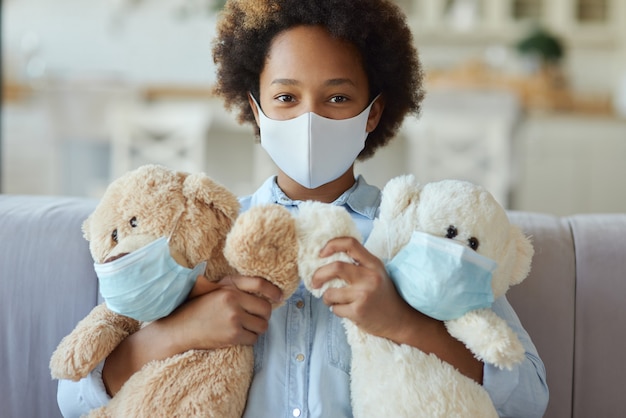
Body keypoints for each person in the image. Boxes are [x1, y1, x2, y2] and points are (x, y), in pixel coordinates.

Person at [57, 0, 548, 417]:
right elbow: (73, 395)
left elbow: (528, 395)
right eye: (286, 97)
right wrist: (180, 332)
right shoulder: (202, 236)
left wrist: (402, 322)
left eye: (337, 97)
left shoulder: (421, 232)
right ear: (256, 109)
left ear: (372, 112)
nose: (309, 118)